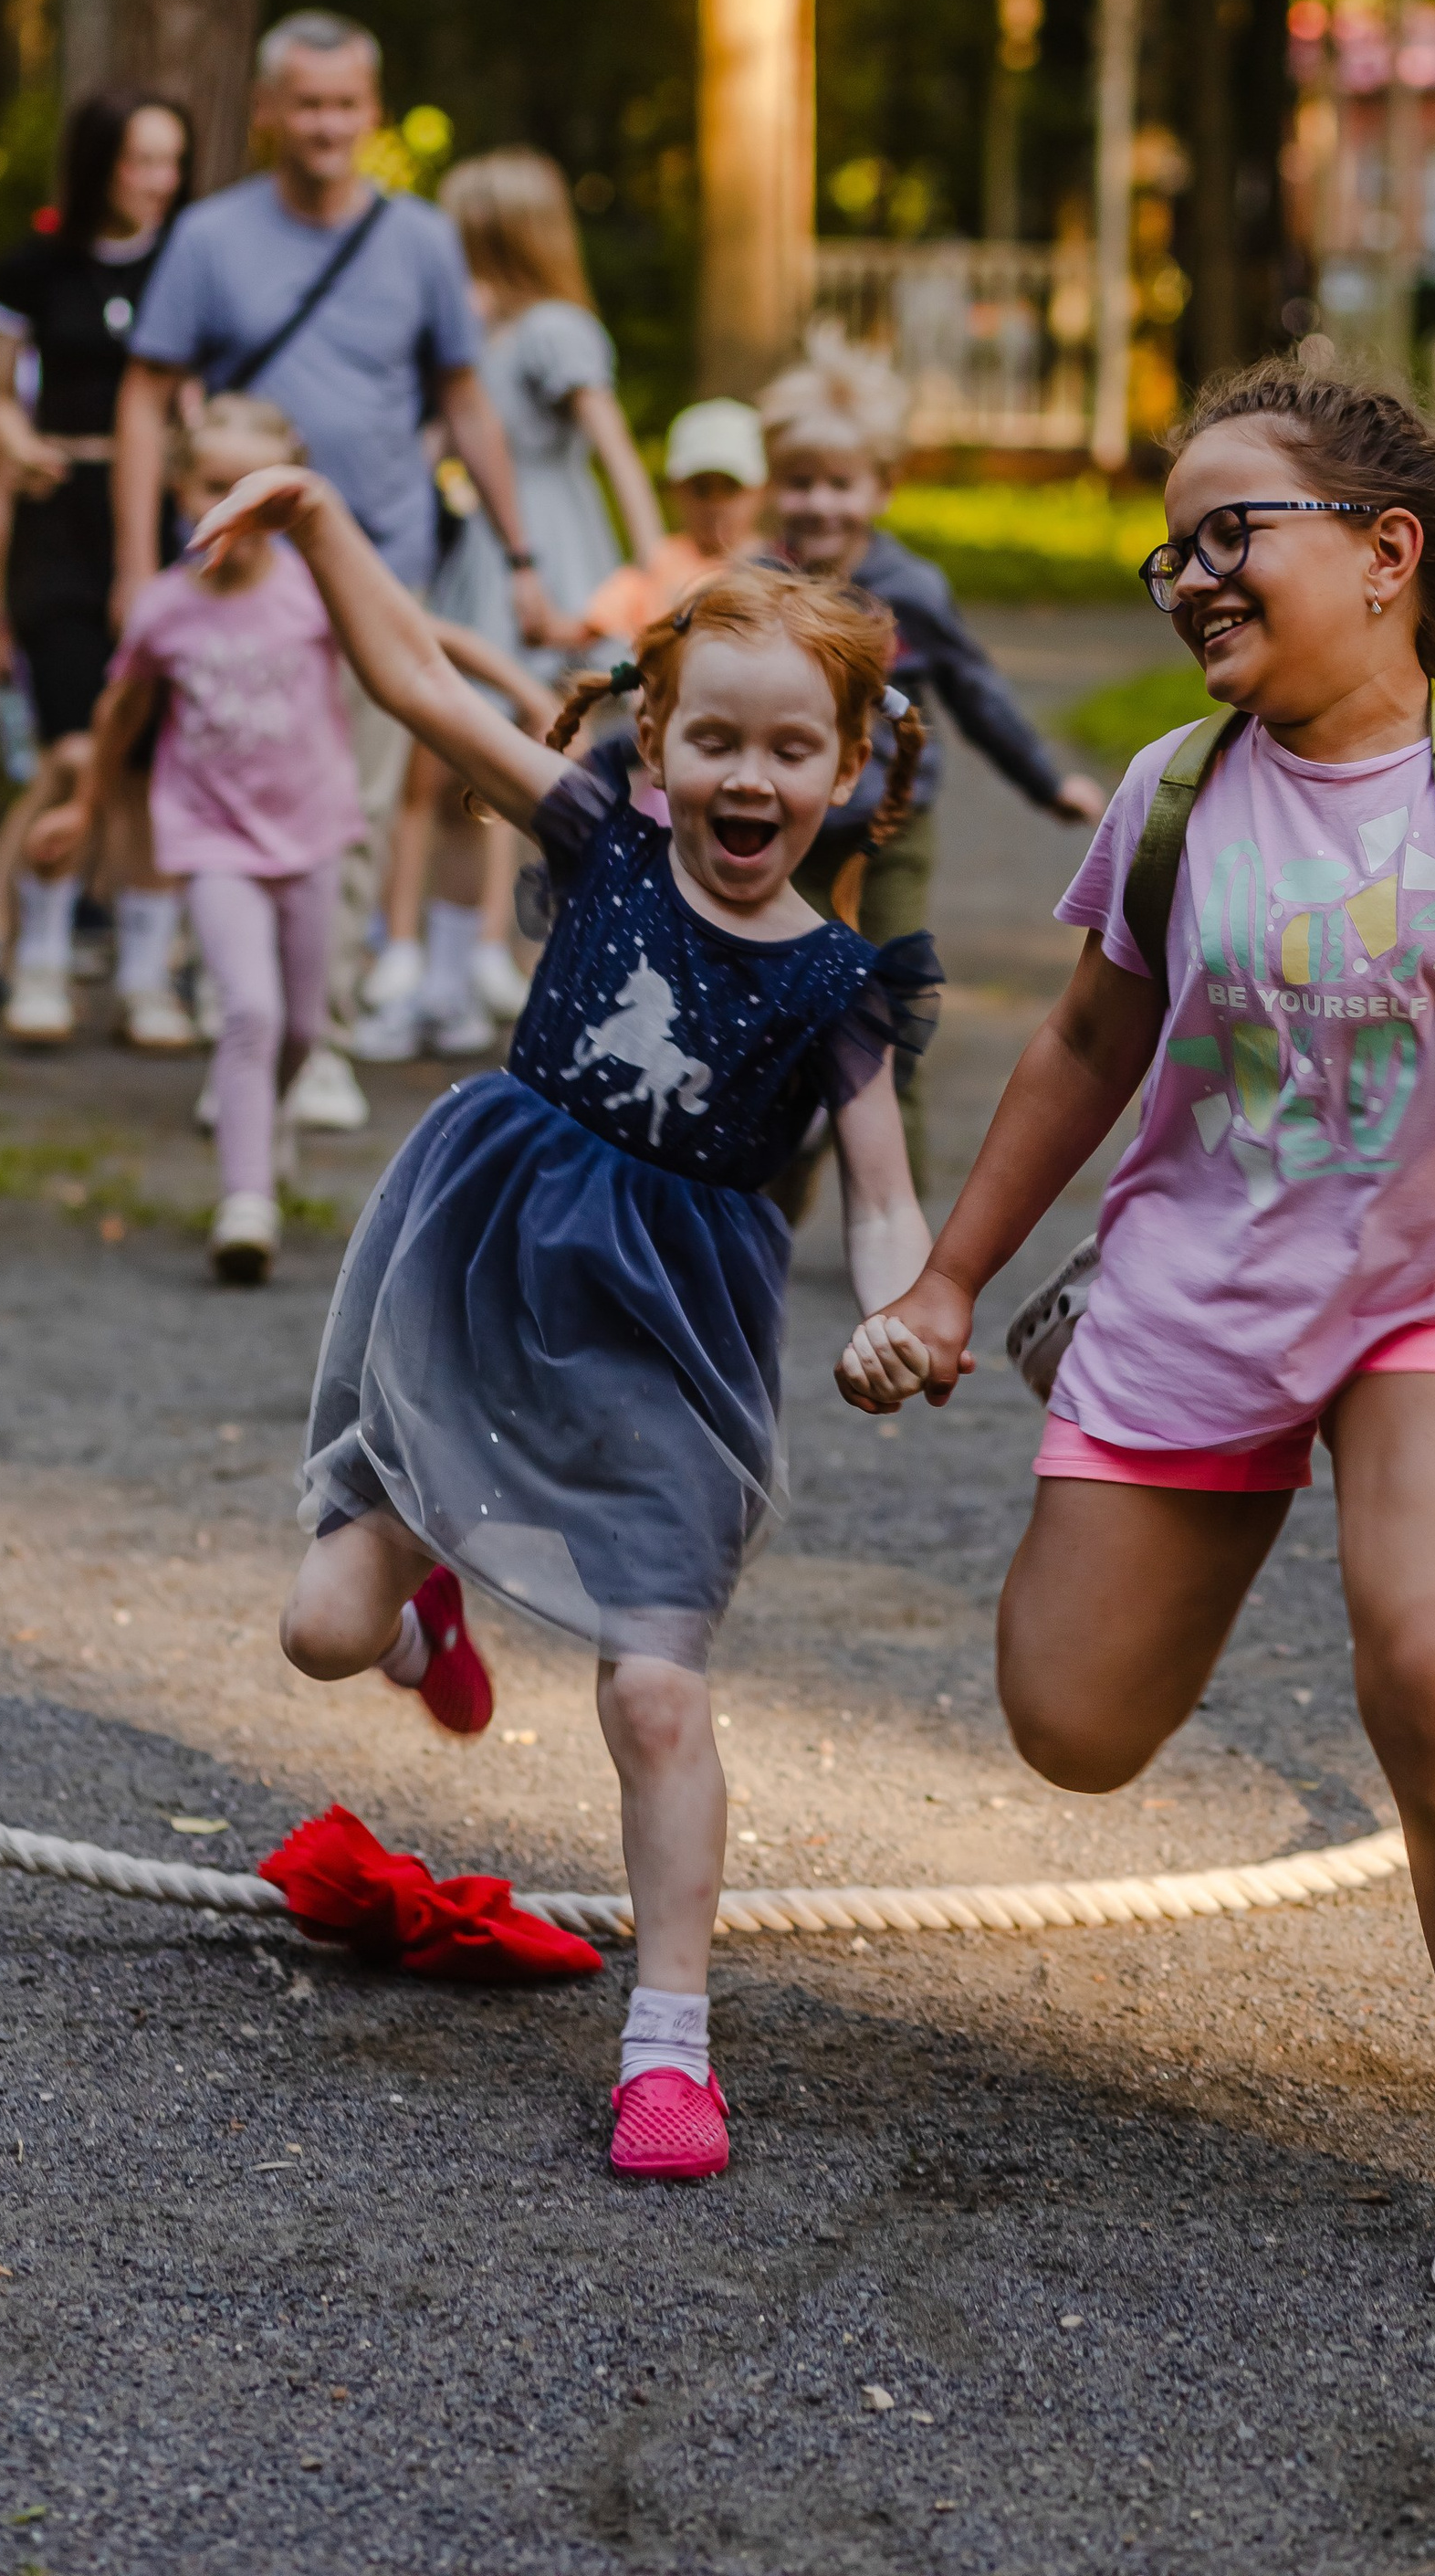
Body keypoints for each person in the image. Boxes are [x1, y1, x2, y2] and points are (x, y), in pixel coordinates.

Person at [838, 358, 1435, 2301]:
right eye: (1170, 546)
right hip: (1197, 1289)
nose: (1187, 575)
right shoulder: (1174, 796)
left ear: (1384, 553)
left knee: (1427, 1651)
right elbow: (1086, 1041)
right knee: (1070, 1728)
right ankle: (1195, 1469)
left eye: (1228, 531)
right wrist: (944, 1281)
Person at [183, 473, 937, 2183]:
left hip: (671, 1344)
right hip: (488, 1275)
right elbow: (418, 690)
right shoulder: (602, 840)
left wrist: (906, 1313)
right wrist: (316, 521)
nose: (750, 782)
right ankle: (421, 1591)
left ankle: (670, 2049)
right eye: (716, 745)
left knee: (658, 1695)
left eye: (791, 752)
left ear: (844, 774)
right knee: (317, 1631)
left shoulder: (842, 990)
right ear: (653, 749)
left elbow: (883, 1196)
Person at [112, 12, 557, 1120]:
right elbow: (141, 396)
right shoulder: (211, 239)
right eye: (303, 103)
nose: (324, 124)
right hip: (235, 583)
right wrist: (135, 561)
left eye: (344, 103)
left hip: (377, 570)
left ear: (373, 110)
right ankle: (244, 1033)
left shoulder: (417, 240)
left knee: (346, 806)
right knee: (228, 793)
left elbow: (463, 397)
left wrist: (521, 556)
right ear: (267, 111)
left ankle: (319, 1039)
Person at [759, 329, 1104, 1186]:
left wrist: (1044, 779)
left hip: (890, 831)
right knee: (777, 1021)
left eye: (840, 485)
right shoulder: (758, 586)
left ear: (881, 487)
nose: (819, 505)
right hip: (780, 837)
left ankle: (898, 1228)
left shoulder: (911, 591)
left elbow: (977, 691)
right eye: (799, 483)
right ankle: (761, 1208)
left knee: (885, 1021)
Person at [30, 396, 361, 1283]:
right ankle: (244, 1200)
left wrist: (521, 706)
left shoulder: (317, 589)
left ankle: (273, 1120)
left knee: (299, 1026)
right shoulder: (164, 611)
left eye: (260, 494)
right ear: (183, 490)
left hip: (311, 832)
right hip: (211, 838)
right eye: (217, 487)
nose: (237, 512)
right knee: (247, 1012)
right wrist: (83, 809)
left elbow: (416, 652)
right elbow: (119, 712)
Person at [353, 149, 665, 1067]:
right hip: (475, 562)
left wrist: (655, 567)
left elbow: (609, 444)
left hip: (547, 556)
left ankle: (511, 964)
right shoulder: (466, 335)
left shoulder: (555, 331)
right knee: (449, 773)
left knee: (533, 773)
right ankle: (437, 971)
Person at [0, 90, 196, 1044]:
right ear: (100, 164)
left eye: (171, 163)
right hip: (56, 522)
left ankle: (146, 975)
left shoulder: (190, 265)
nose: (157, 182)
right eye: (139, 161)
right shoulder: (36, 267)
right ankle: (43, 961)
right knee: (70, 750)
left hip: (158, 522)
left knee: (146, 765)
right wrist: (14, 439)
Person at [578, 398, 770, 647]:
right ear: (675, 491)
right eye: (701, 489)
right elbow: (588, 629)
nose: (715, 503)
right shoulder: (656, 561)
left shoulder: (777, 566)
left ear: (763, 491)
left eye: (730, 488)